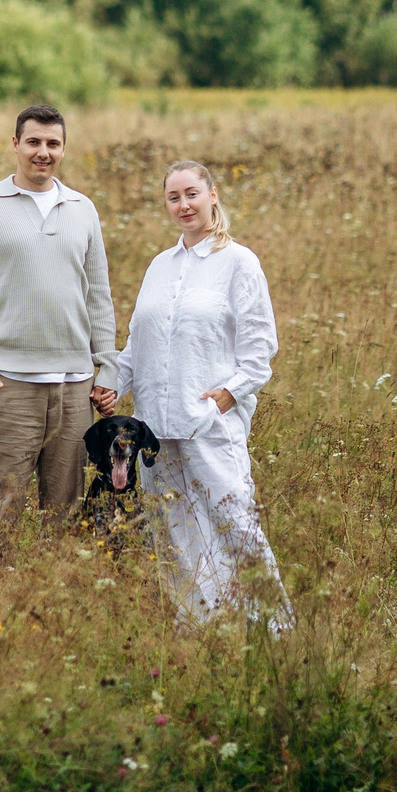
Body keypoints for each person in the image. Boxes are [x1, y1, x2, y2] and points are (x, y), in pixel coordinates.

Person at [0, 104, 118, 594]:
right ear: (15, 144)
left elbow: (98, 296)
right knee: (1, 512)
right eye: (35, 142)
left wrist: (107, 370)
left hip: (74, 388)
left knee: (64, 514)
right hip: (7, 388)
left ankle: (51, 615)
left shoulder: (82, 209)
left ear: (63, 148)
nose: (44, 153)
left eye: (54, 144)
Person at [118, 159, 292, 630]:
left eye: (191, 194)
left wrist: (225, 399)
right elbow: (138, 342)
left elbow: (259, 351)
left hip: (209, 424)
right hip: (154, 428)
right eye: (174, 197)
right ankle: (199, 627)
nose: (184, 205)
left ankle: (271, 632)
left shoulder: (239, 262)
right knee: (173, 529)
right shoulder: (159, 266)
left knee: (235, 523)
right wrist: (110, 388)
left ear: (212, 194)